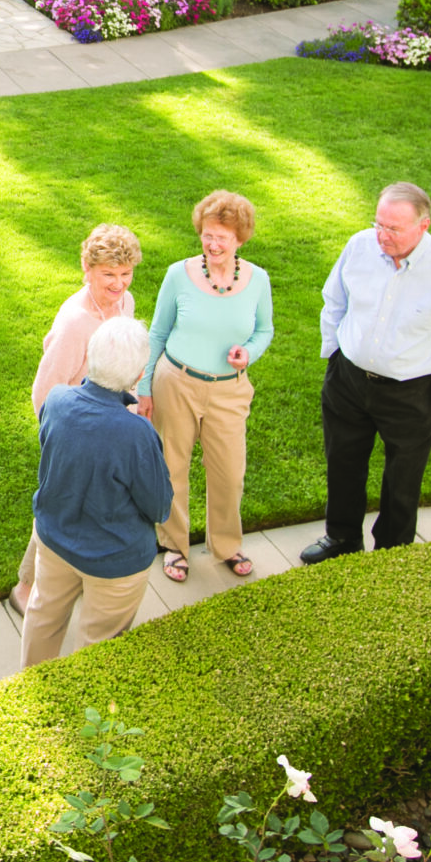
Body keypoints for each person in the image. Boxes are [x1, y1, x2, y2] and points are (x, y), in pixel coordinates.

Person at [300, 182, 431, 563]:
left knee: (403, 480)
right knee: (343, 463)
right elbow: (334, 301)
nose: (382, 235)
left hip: (410, 393)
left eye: (394, 229)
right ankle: (342, 540)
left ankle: (392, 557)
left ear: (423, 226)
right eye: (379, 223)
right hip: (347, 381)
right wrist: (333, 354)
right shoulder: (360, 246)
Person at [21, 316, 175, 667]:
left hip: (54, 542)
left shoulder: (57, 400)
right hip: (114, 561)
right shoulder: (137, 433)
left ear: (90, 357)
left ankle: (29, 694)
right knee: (97, 652)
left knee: (43, 618)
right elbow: (159, 507)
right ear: (138, 376)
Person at [136, 190, 272, 584]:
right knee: (172, 467)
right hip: (175, 383)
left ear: (240, 240)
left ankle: (226, 545)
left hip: (229, 390)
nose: (213, 244)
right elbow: (158, 332)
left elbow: (265, 329)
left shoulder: (258, 280)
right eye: (207, 235)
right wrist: (144, 386)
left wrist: (249, 353)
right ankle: (174, 546)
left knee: (229, 473)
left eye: (222, 238)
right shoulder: (179, 274)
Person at [12, 224, 143, 613]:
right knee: (59, 506)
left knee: (96, 503)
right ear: (87, 268)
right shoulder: (75, 322)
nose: (119, 284)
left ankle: (77, 575)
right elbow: (45, 389)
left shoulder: (126, 304)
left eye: (125, 273)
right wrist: (58, 438)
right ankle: (27, 586)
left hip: (111, 425)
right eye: (109, 275)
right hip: (74, 430)